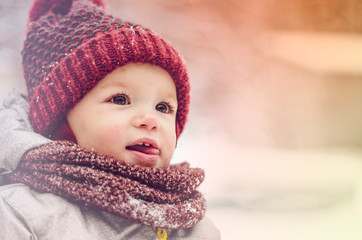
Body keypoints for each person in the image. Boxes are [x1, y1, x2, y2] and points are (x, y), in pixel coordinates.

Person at [0, 0, 220, 239]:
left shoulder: (190, 226)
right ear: (61, 121)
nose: (150, 119)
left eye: (163, 107)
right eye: (120, 100)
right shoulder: (22, 214)